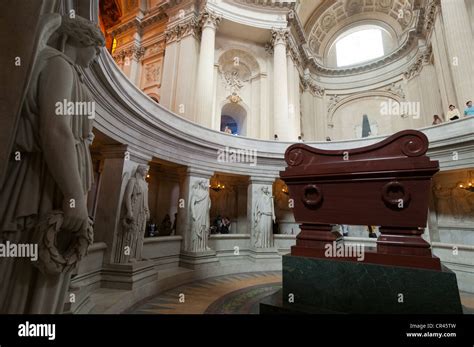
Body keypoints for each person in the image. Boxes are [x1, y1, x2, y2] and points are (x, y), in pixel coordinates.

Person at [0, 14, 105, 313]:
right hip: (45, 181)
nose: (97, 57)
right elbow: (55, 129)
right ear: (80, 40)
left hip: (53, 178)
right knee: (32, 270)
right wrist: (74, 195)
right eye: (96, 49)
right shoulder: (59, 64)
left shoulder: (63, 66)